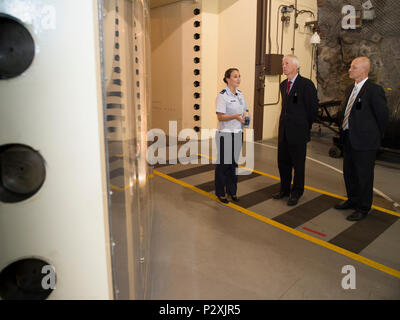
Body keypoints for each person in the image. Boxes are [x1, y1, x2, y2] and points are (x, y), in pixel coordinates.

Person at [334, 56, 388, 221]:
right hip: (349, 137)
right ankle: (352, 200)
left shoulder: (374, 90)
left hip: (365, 142)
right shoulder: (350, 88)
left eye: (353, 67)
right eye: (351, 67)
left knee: (364, 175)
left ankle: (363, 207)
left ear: (364, 70)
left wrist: (375, 139)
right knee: (349, 172)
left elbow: (382, 117)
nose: (350, 70)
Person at [272, 54, 318, 206]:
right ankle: (284, 189)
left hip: (298, 133)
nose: (283, 66)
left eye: (286, 63)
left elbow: (312, 110)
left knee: (298, 165)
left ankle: (296, 192)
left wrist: (304, 126)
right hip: (284, 132)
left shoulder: (306, 85)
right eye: (282, 63)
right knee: (283, 163)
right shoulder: (283, 84)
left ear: (295, 66)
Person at [215, 68, 249, 203]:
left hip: (238, 133)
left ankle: (232, 191)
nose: (238, 79)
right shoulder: (222, 96)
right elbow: (220, 117)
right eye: (235, 76)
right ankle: (220, 192)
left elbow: (245, 110)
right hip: (226, 134)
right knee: (224, 165)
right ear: (228, 79)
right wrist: (235, 116)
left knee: (234, 164)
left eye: (239, 76)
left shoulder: (240, 95)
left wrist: (246, 119)